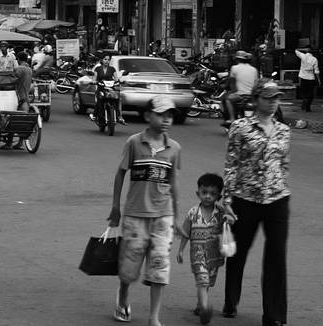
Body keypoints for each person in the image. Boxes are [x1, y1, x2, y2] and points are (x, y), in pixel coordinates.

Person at [107, 95, 182, 325]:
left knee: (160, 267)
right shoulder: (134, 142)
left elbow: (174, 182)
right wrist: (115, 208)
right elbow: (121, 174)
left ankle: (154, 317)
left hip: (163, 216)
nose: (166, 119)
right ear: (148, 116)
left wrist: (177, 215)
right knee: (130, 267)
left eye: (169, 115)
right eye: (160, 114)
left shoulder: (174, 148)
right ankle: (123, 297)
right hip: (135, 214)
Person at [221, 79, 290, 326]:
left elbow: (284, 164)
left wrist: (279, 184)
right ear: (256, 99)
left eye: (276, 98)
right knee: (238, 253)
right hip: (245, 198)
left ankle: (274, 315)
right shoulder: (240, 127)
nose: (273, 102)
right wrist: (227, 199)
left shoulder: (283, 130)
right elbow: (232, 164)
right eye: (268, 97)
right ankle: (231, 300)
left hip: (277, 199)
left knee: (276, 256)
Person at [177, 173, 236, 325]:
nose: (208, 196)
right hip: (197, 253)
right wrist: (180, 250)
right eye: (204, 193)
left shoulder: (221, 211)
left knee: (207, 281)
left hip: (214, 255)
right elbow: (186, 233)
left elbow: (232, 220)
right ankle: (204, 307)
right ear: (198, 193)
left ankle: (199, 304)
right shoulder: (192, 213)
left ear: (219, 196)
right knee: (202, 280)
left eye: (212, 194)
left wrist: (230, 218)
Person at [223, 50, 259, 127]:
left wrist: (230, 90)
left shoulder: (234, 68)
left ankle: (232, 118)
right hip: (251, 96)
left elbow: (232, 82)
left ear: (237, 59)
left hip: (239, 95)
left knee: (227, 99)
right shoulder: (254, 69)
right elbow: (256, 84)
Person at [91, 52, 122, 124]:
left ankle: (119, 116)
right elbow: (94, 78)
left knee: (116, 99)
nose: (107, 61)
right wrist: (93, 81)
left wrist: (118, 82)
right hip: (101, 88)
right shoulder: (98, 69)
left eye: (108, 59)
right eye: (105, 59)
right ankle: (95, 115)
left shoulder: (112, 69)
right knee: (99, 101)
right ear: (102, 60)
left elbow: (116, 78)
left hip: (110, 89)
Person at [295, 47, 320, 112]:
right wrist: (319, 80)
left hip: (303, 78)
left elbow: (296, 50)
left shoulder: (303, 56)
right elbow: (316, 71)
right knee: (310, 94)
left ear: (307, 51)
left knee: (304, 93)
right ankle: (307, 107)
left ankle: (304, 105)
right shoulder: (314, 59)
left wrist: (303, 49)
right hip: (311, 78)